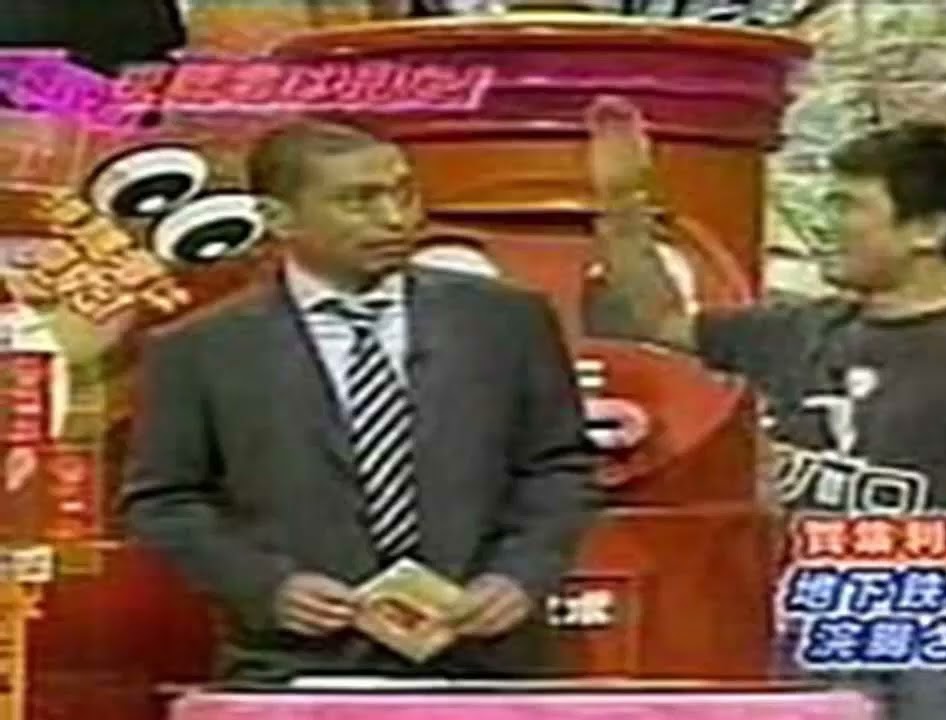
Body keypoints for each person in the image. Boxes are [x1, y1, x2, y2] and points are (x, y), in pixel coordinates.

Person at [586, 97, 946, 719]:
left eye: (848, 205)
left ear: (928, 230)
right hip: (825, 631)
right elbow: (658, 317)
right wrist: (621, 202)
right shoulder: (796, 332)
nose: (826, 226)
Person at [120, 118, 597, 683]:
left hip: (486, 657)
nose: (395, 218)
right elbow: (165, 501)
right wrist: (266, 586)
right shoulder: (200, 350)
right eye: (358, 201)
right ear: (278, 218)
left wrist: (519, 576)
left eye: (403, 193)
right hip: (295, 662)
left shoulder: (505, 320)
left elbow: (557, 466)